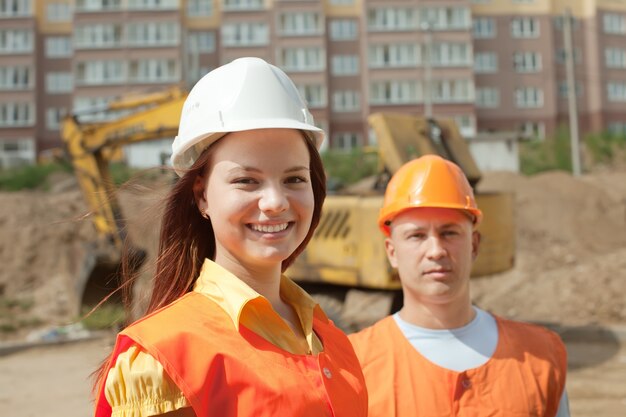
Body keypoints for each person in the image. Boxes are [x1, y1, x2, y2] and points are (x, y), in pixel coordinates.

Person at [93, 57, 368, 417]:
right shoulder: (163, 357)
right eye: (247, 180)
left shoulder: (332, 341)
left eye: (294, 179)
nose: (275, 202)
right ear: (202, 196)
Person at [348, 155, 569, 417]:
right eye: (417, 236)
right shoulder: (353, 364)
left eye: (449, 233)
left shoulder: (540, 357)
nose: (436, 250)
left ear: (474, 245)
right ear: (392, 251)